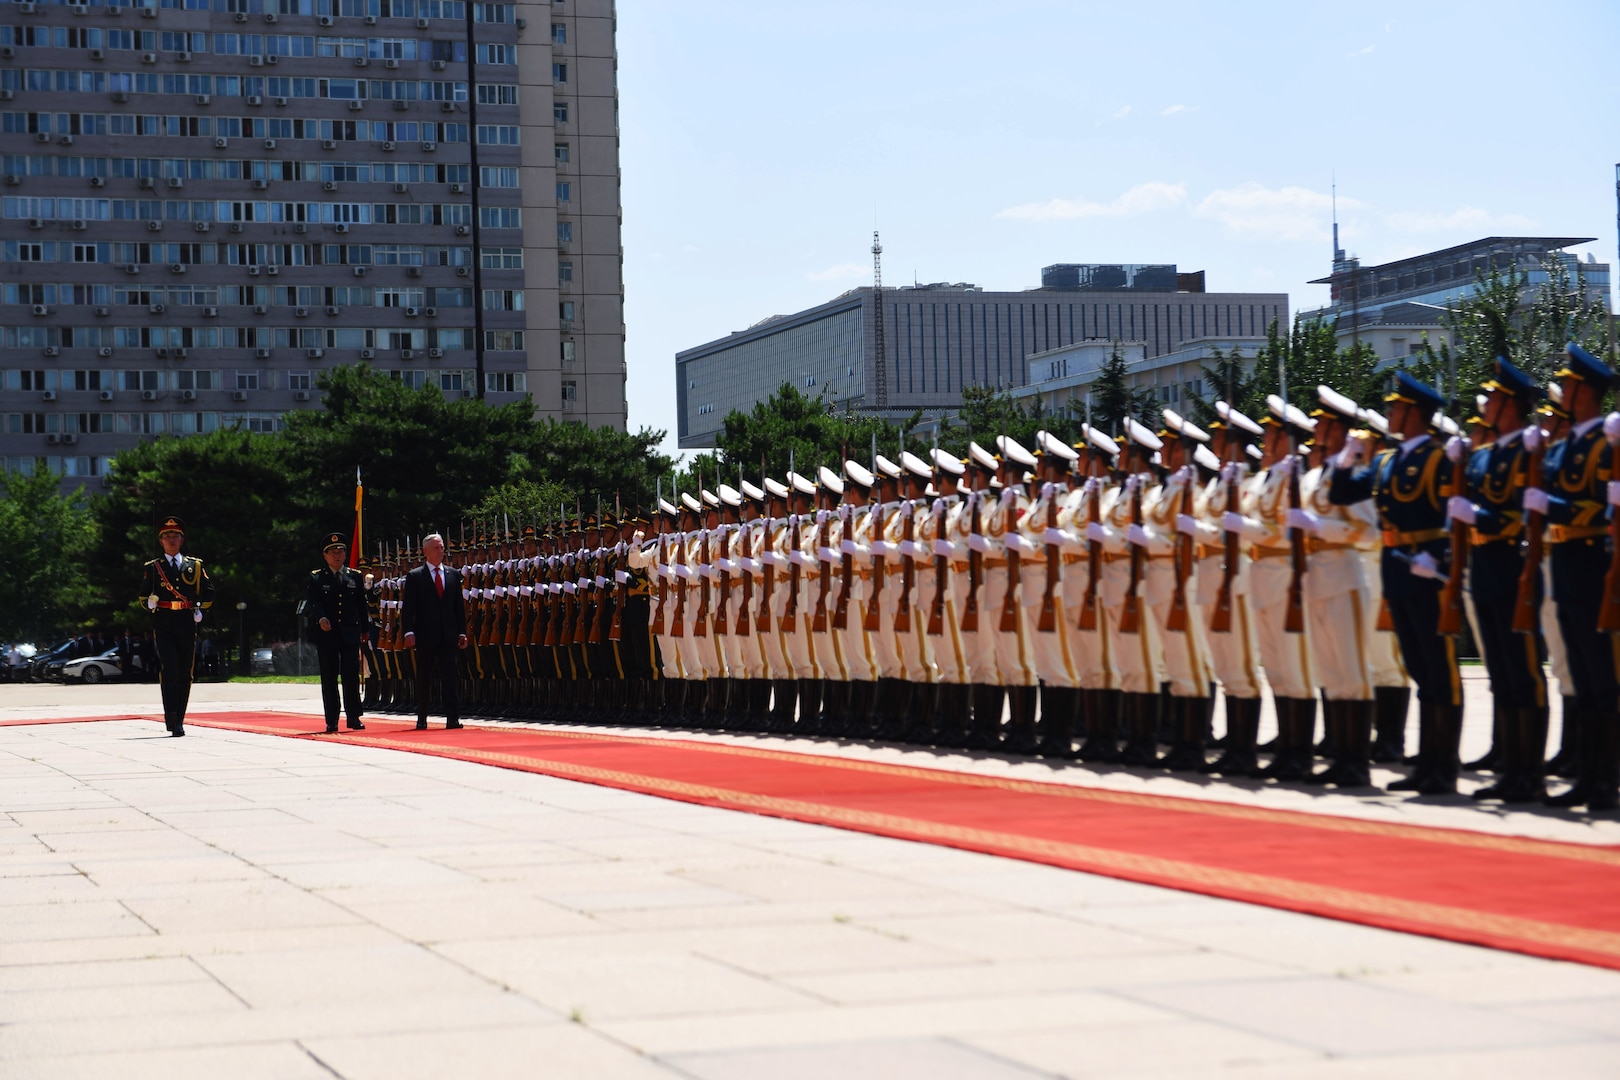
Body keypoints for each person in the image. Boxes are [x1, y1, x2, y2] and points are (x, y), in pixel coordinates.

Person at [140, 515, 216, 737]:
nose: (171, 539)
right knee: (169, 668)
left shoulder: (195, 565)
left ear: (182, 540)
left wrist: (200, 608)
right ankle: (171, 717)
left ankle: (179, 718)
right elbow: (142, 596)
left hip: (185, 621)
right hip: (163, 622)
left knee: (185, 672)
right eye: (166, 536)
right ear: (161, 541)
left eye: (175, 536)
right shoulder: (154, 567)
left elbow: (209, 591)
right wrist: (149, 603)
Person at [400, 532, 468, 731]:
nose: (441, 551)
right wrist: (408, 632)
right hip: (425, 635)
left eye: (442, 547)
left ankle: (453, 718)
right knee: (424, 677)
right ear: (426, 551)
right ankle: (422, 717)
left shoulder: (453, 574)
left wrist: (462, 632)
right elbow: (408, 608)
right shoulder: (415, 576)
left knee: (450, 676)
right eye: (436, 548)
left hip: (448, 635)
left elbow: (458, 608)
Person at [306, 531, 370, 734]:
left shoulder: (355, 576)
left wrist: (365, 630)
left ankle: (353, 716)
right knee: (330, 677)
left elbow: (361, 604)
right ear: (325, 555)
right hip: (327, 635)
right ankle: (332, 719)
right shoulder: (317, 577)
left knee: (351, 675)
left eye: (341, 551)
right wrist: (321, 617)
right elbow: (313, 602)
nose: (337, 555)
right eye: (332, 552)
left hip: (350, 633)